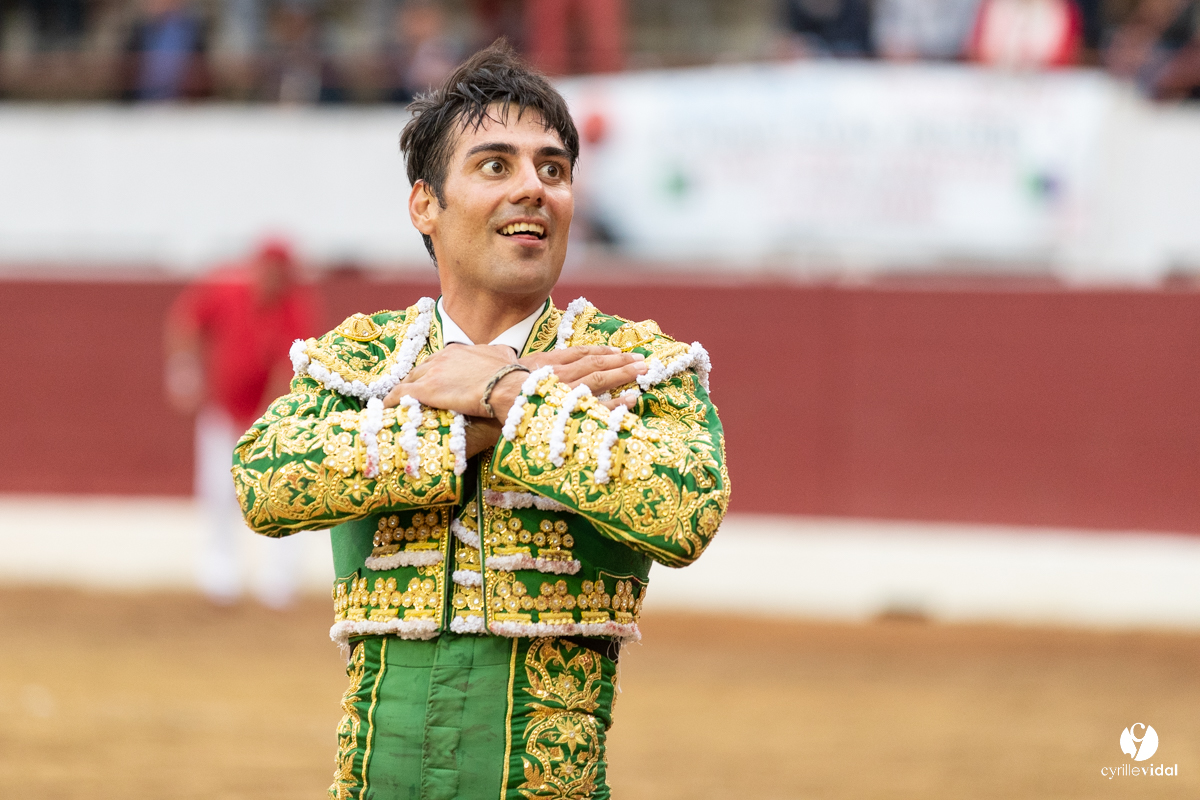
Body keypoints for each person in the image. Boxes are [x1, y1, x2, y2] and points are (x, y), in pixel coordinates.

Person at [231, 41, 728, 799]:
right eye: (495, 165)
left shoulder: (630, 361)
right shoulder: (363, 356)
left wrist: (498, 390)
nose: (532, 188)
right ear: (425, 204)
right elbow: (266, 480)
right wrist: (506, 405)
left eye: (553, 169)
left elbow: (685, 506)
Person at [166, 237, 319, 607]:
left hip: (270, 420)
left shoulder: (295, 306)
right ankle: (220, 577)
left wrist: (265, 418)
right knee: (218, 493)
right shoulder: (224, 289)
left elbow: (293, 365)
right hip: (222, 411)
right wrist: (184, 371)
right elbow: (185, 322)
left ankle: (278, 581)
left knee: (280, 494)